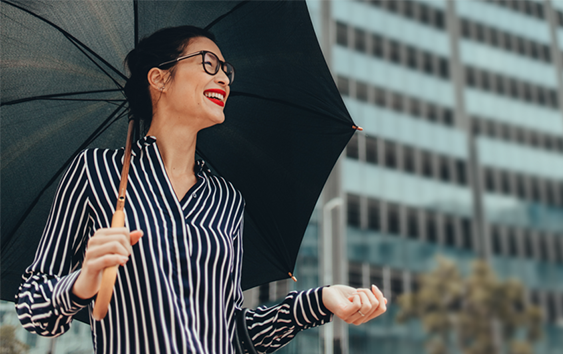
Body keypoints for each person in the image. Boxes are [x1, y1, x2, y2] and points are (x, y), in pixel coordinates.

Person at [15, 26, 387, 353]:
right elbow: (33, 307)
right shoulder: (97, 172)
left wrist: (321, 301)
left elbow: (236, 334)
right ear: (159, 79)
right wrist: (81, 283)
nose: (224, 78)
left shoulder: (226, 200)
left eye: (227, 70)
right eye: (209, 63)